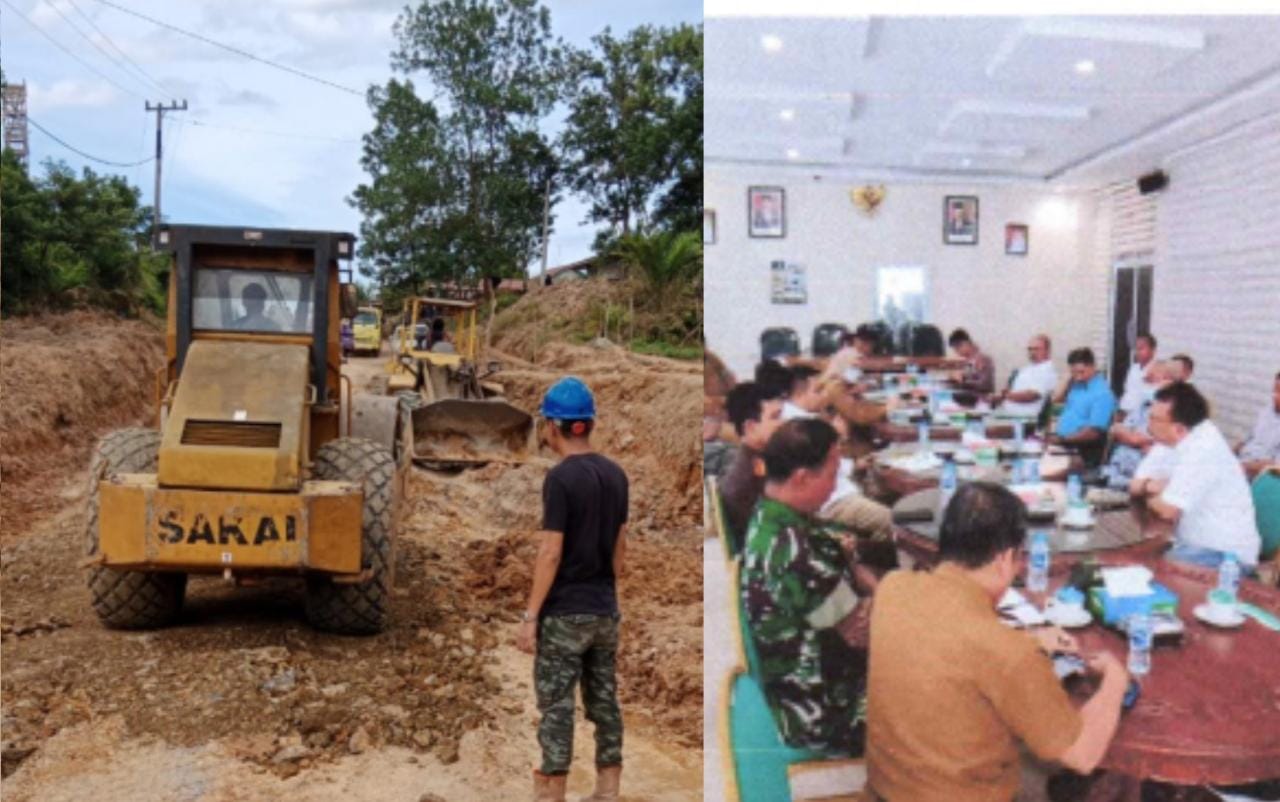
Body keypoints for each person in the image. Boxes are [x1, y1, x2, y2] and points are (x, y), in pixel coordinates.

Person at [865, 482, 1129, 802]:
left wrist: (1029, 638)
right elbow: (1082, 755)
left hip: (884, 790)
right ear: (1005, 558)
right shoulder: (1007, 652)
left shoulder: (894, 588)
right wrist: (1115, 681)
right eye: (1020, 558)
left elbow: (947, 637)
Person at [517, 378, 628, 802]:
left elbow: (550, 551)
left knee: (557, 707)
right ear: (588, 424)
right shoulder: (617, 475)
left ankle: (551, 794)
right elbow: (620, 554)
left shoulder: (561, 479)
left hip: (565, 613)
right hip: (604, 610)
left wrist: (530, 617)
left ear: (552, 426)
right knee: (604, 702)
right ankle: (608, 789)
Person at [740, 418, 878, 757]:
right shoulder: (796, 553)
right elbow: (863, 633)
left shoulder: (768, 517)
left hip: (800, 686)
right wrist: (884, 591)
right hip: (824, 712)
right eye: (831, 475)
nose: (835, 487)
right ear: (802, 477)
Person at [1132, 382, 1261, 568]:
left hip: (1225, 556)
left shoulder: (1204, 448)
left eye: (1153, 419)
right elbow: (1135, 485)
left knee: (1144, 569)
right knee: (1133, 558)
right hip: (1190, 545)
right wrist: (1150, 487)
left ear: (1178, 428)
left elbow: (1167, 511)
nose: (1147, 426)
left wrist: (1150, 491)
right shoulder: (1173, 438)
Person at [720, 382, 786, 550]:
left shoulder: (756, 462)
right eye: (775, 417)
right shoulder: (750, 477)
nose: (783, 423)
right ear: (750, 427)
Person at [1102, 361, 1178, 489]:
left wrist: (1131, 436)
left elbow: (1137, 439)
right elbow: (1116, 429)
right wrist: (1132, 437)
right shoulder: (1143, 405)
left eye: (1150, 379)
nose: (1145, 382)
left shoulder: (1170, 413)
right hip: (1112, 473)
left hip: (1135, 482)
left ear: (1167, 381)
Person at [1049, 348, 1116, 466]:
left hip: (1083, 451)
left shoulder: (1102, 394)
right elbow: (1055, 399)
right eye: (1074, 372)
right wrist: (1068, 378)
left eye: (1081, 372)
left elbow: (1093, 433)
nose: (1077, 377)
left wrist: (1063, 440)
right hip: (1065, 445)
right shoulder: (1077, 385)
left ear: (1093, 367)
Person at [998, 334, 1057, 418]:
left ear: (1047, 351)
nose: (1032, 352)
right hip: (1008, 414)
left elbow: (1032, 395)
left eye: (1036, 349)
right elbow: (1011, 393)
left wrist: (1007, 396)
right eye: (1030, 349)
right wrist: (999, 397)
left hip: (1025, 419)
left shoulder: (1047, 371)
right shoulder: (1027, 369)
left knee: (981, 427)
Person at [1237, 372, 1280, 479]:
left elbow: (1275, 466)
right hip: (1242, 463)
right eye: (1274, 389)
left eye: (1279, 391)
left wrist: (1243, 467)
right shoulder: (1267, 410)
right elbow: (1247, 438)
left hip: (1258, 475)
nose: (1274, 395)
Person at [1118, 333, 1157, 418]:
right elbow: (1128, 391)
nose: (1137, 352)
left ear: (1153, 350)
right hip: (1124, 411)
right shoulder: (1134, 368)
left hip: (1142, 416)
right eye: (1136, 348)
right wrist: (1120, 411)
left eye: (1141, 348)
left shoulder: (1157, 369)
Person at [947, 328, 995, 395]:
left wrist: (962, 378)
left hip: (980, 399)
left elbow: (983, 385)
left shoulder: (984, 360)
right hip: (965, 397)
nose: (957, 352)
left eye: (957, 348)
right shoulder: (965, 361)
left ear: (966, 343)